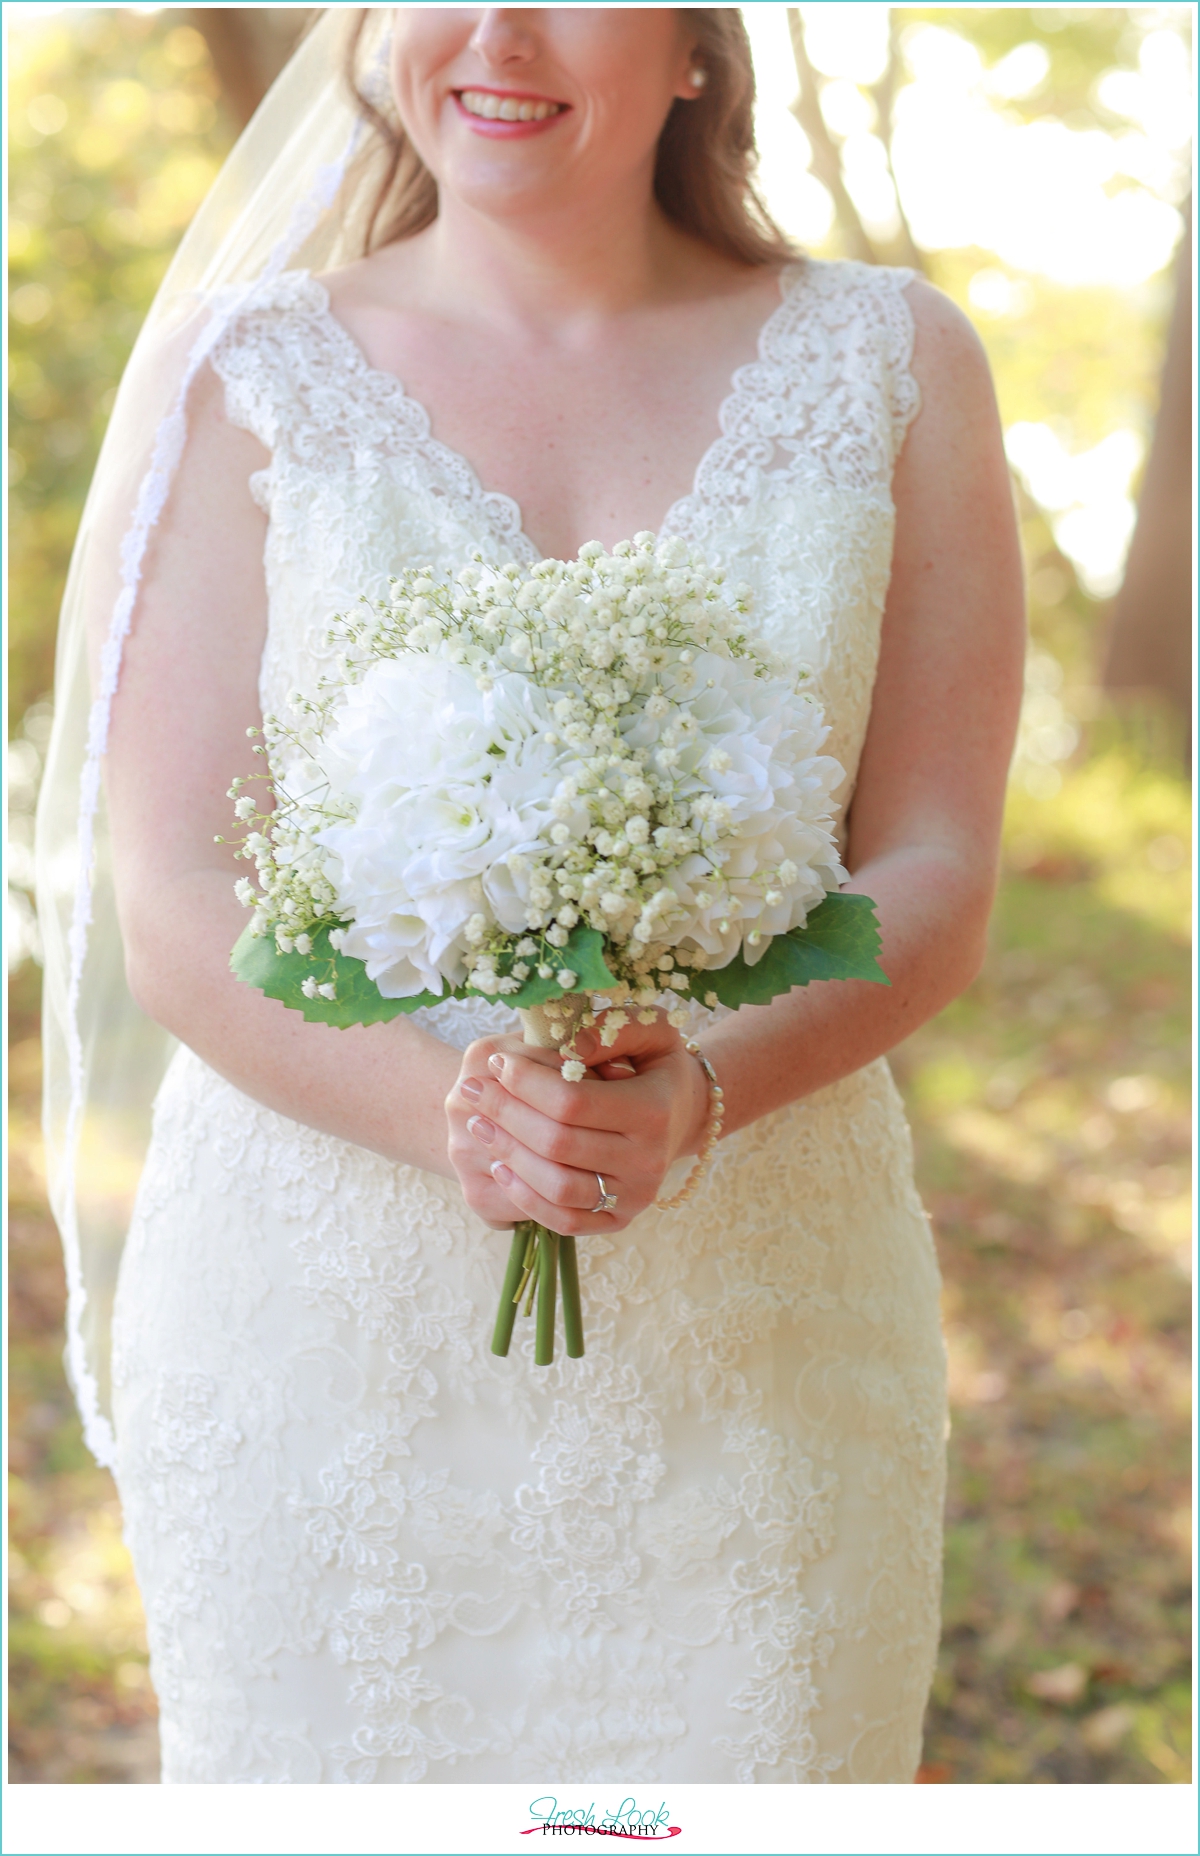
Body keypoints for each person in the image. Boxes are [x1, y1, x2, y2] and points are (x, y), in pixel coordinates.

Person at [37, 6, 1024, 1784]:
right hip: (318, 1324)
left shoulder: (897, 360)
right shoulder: (239, 370)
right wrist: (460, 1122)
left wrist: (707, 1093)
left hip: (765, 1314)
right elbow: (171, 886)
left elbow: (937, 868)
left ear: (697, 50)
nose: (494, 31)